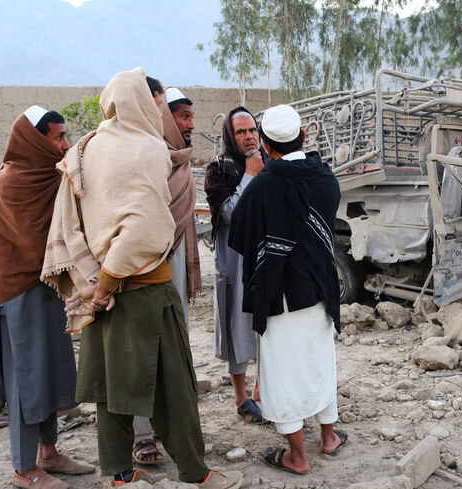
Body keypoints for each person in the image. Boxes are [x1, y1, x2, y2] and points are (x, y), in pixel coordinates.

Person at [40, 67, 239, 488]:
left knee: (111, 392)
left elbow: (67, 224)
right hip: (145, 290)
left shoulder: (82, 149)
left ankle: (120, 475)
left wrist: (94, 283)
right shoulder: (149, 149)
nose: (161, 110)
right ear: (142, 103)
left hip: (99, 297)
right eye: (160, 103)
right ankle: (195, 473)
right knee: (175, 388)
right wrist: (110, 279)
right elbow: (147, 226)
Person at [0, 106, 94, 489]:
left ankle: (49, 452)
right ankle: (23, 468)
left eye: (64, 137)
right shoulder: (12, 182)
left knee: (48, 374)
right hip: (18, 296)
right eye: (57, 137)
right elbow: (34, 245)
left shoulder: (50, 177)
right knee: (26, 382)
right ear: (35, 139)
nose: (64, 145)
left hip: (46, 291)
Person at [229, 104, 346, 475]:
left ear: (264, 143)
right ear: (305, 136)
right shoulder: (326, 178)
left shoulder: (265, 184)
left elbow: (240, 235)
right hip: (321, 289)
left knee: (282, 371)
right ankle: (329, 437)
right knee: (320, 362)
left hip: (279, 295)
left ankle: (297, 456)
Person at [129, 85, 205, 466]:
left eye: (192, 117)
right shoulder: (144, 156)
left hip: (174, 265)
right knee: (144, 348)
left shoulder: (182, 160)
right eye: (184, 116)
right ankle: (141, 433)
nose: (191, 124)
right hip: (142, 266)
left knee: (174, 346)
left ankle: (168, 426)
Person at [204, 107, 267, 424]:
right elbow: (230, 213)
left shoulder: (268, 163)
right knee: (237, 327)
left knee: (266, 328)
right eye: (241, 132)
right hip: (234, 263)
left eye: (252, 130)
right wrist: (249, 177)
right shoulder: (219, 169)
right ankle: (241, 397)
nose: (249, 137)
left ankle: (260, 391)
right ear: (231, 136)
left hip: (265, 260)